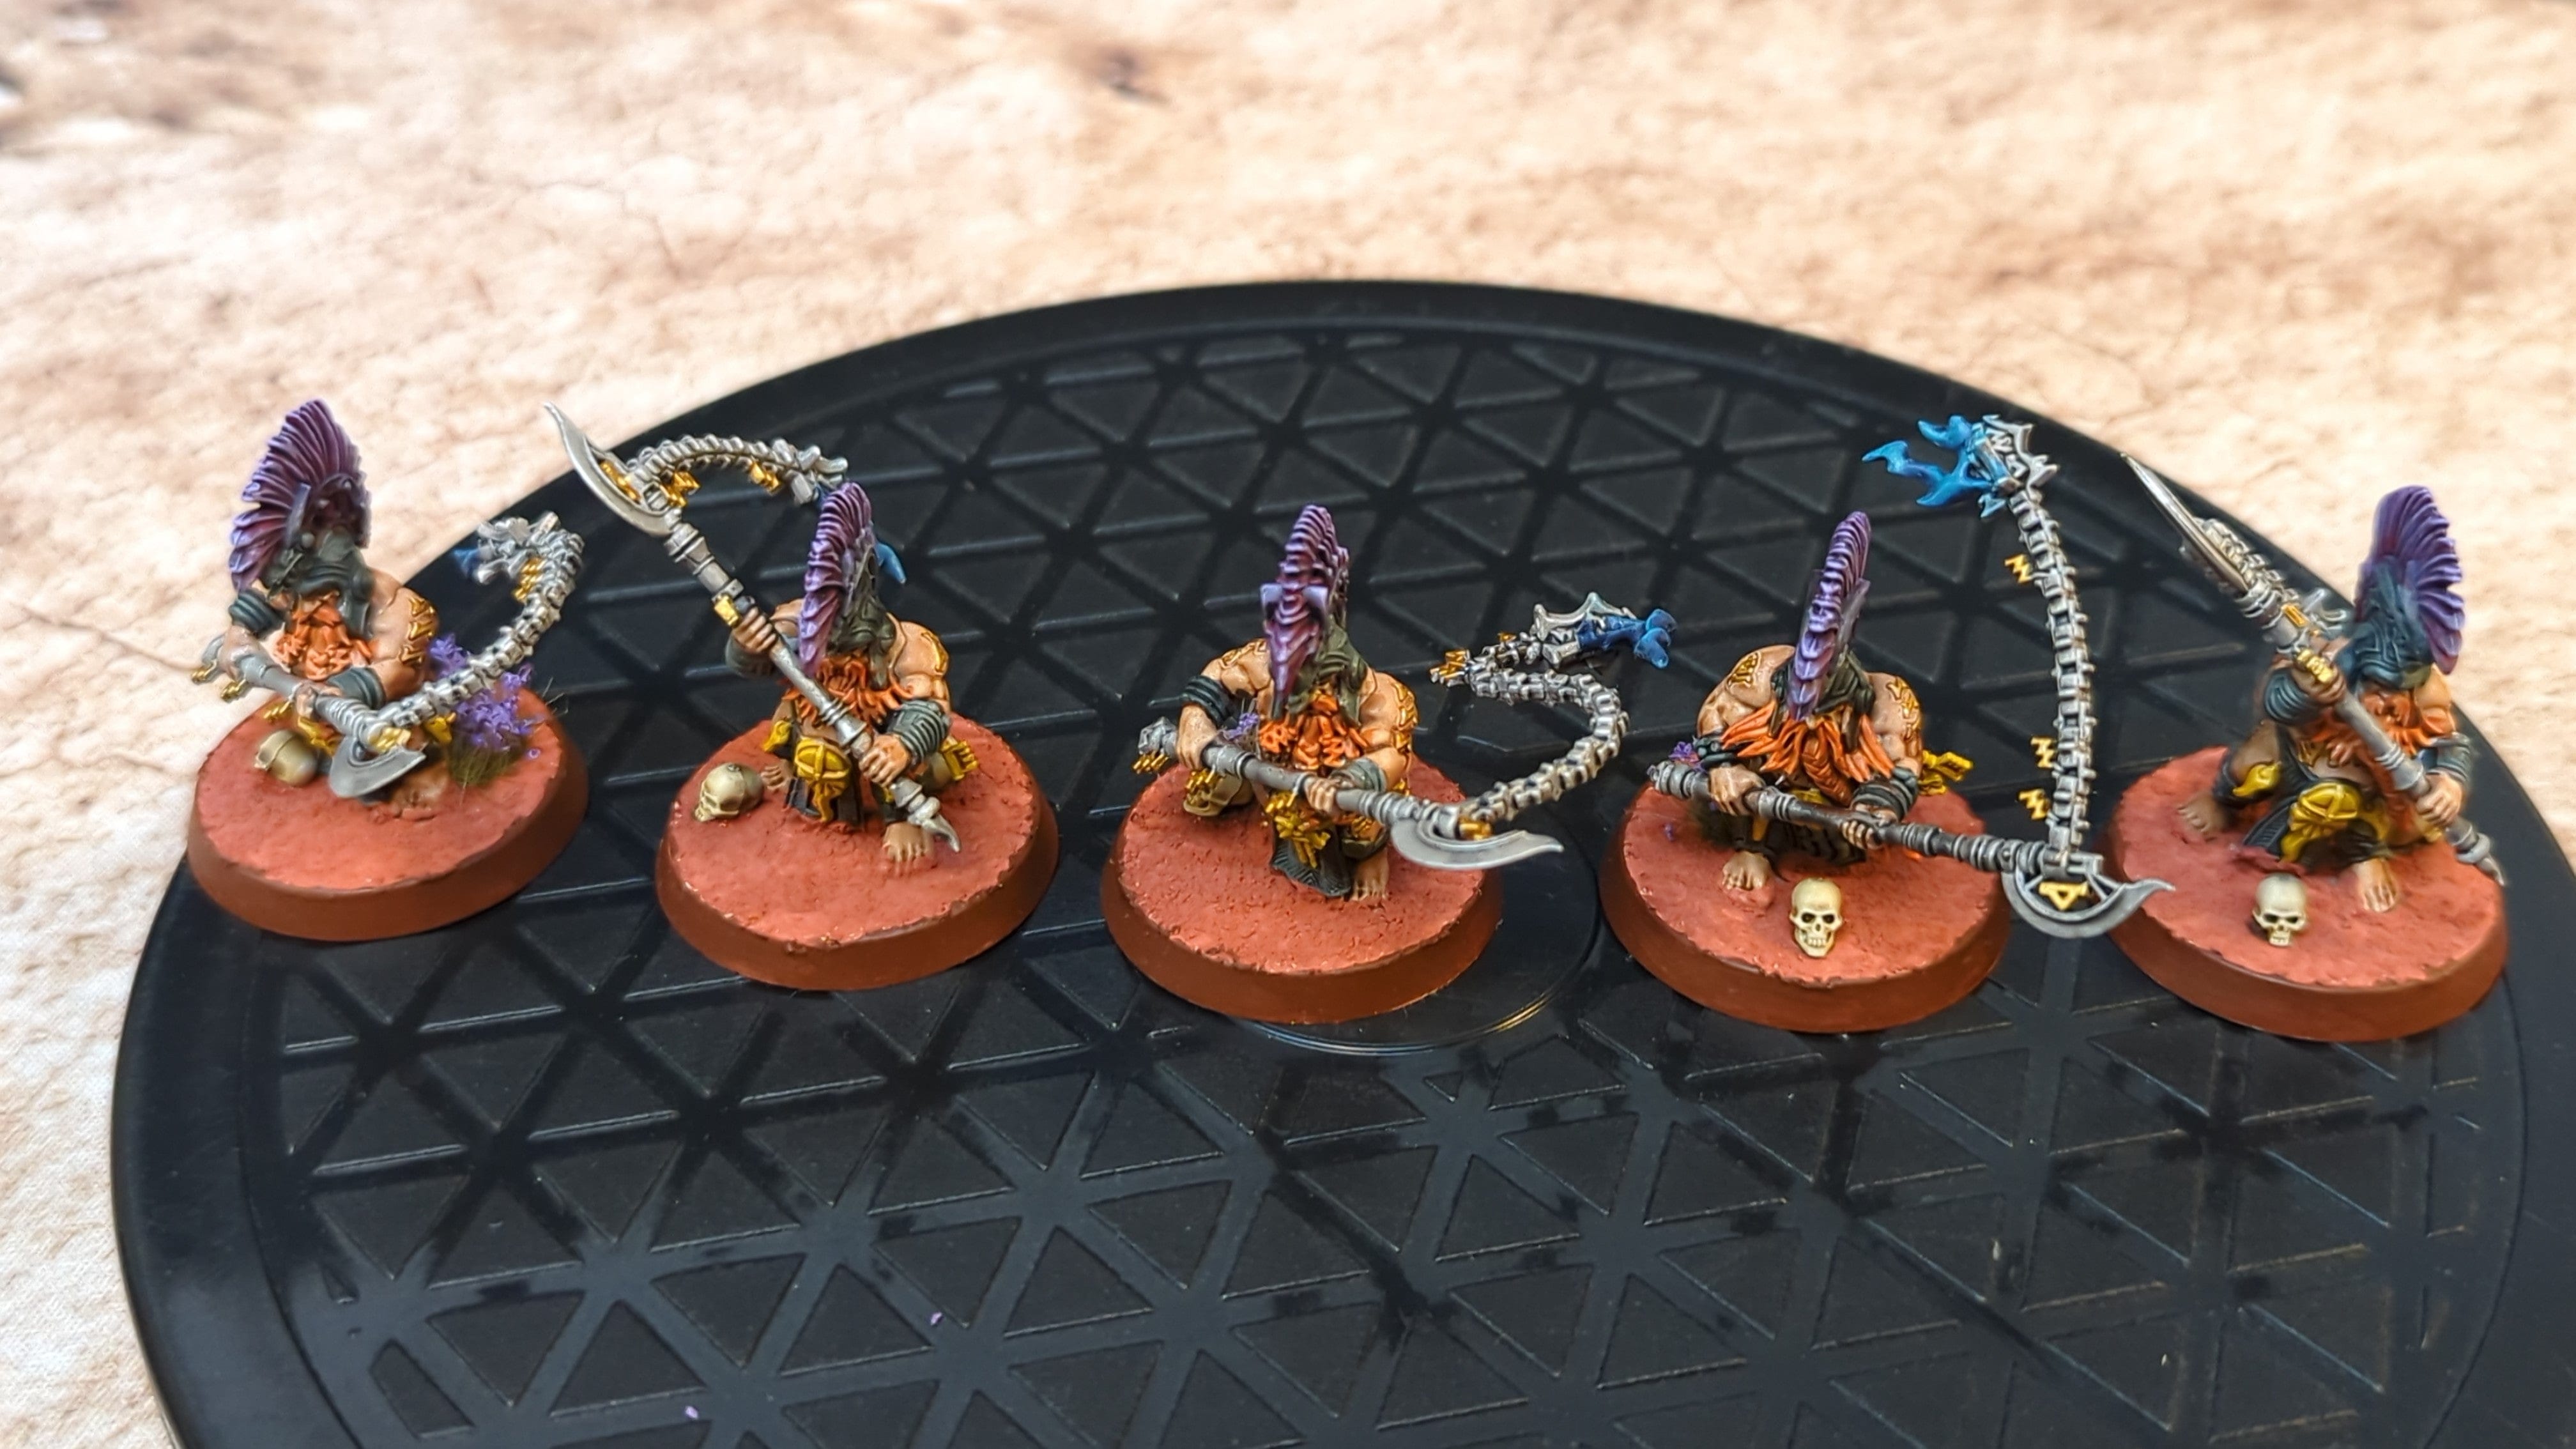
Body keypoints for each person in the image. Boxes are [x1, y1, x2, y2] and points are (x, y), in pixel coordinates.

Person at [2178, 486, 2473, 912]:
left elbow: (2449, 744)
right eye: (2379, 685)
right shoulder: (2333, 655)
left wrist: (2449, 783)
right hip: (2299, 752)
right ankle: (2224, 802)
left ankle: (2361, 855)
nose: (2384, 699)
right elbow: (2276, 703)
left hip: (2371, 785)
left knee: (2342, 805)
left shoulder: (2426, 688)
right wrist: (2306, 690)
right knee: (2252, 762)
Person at [1172, 505, 1416, 900]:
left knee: (1366, 813)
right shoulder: (1267, 662)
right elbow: (1221, 673)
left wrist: (1348, 782)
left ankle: (1370, 854)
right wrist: (1195, 720)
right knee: (1218, 774)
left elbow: (1392, 753)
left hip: (1335, 791)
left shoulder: (1377, 693)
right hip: (1268, 770)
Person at [725, 482, 974, 864]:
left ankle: (900, 817)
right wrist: (748, 643)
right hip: (819, 731)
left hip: (881, 740)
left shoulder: (905, 645)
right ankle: (803, 782)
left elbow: (930, 707)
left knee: (913, 760)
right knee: (805, 741)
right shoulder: (797, 621)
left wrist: (903, 744)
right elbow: (760, 663)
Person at [1688, 512, 1926, 890]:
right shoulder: (1764, 671)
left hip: (1836, 809)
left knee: (1843, 851)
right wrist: (1724, 767)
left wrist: (1878, 805)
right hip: (1763, 790)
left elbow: (1905, 763)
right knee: (1741, 776)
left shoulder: (1889, 702)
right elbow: (1716, 709)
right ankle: (1752, 847)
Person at [218, 400, 438, 779]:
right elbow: (263, 604)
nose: (300, 598)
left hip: (381, 720)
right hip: (310, 712)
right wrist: (238, 637)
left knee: (404, 764)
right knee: (293, 766)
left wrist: (342, 692)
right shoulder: (295, 590)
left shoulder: (395, 605)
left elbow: (400, 669)